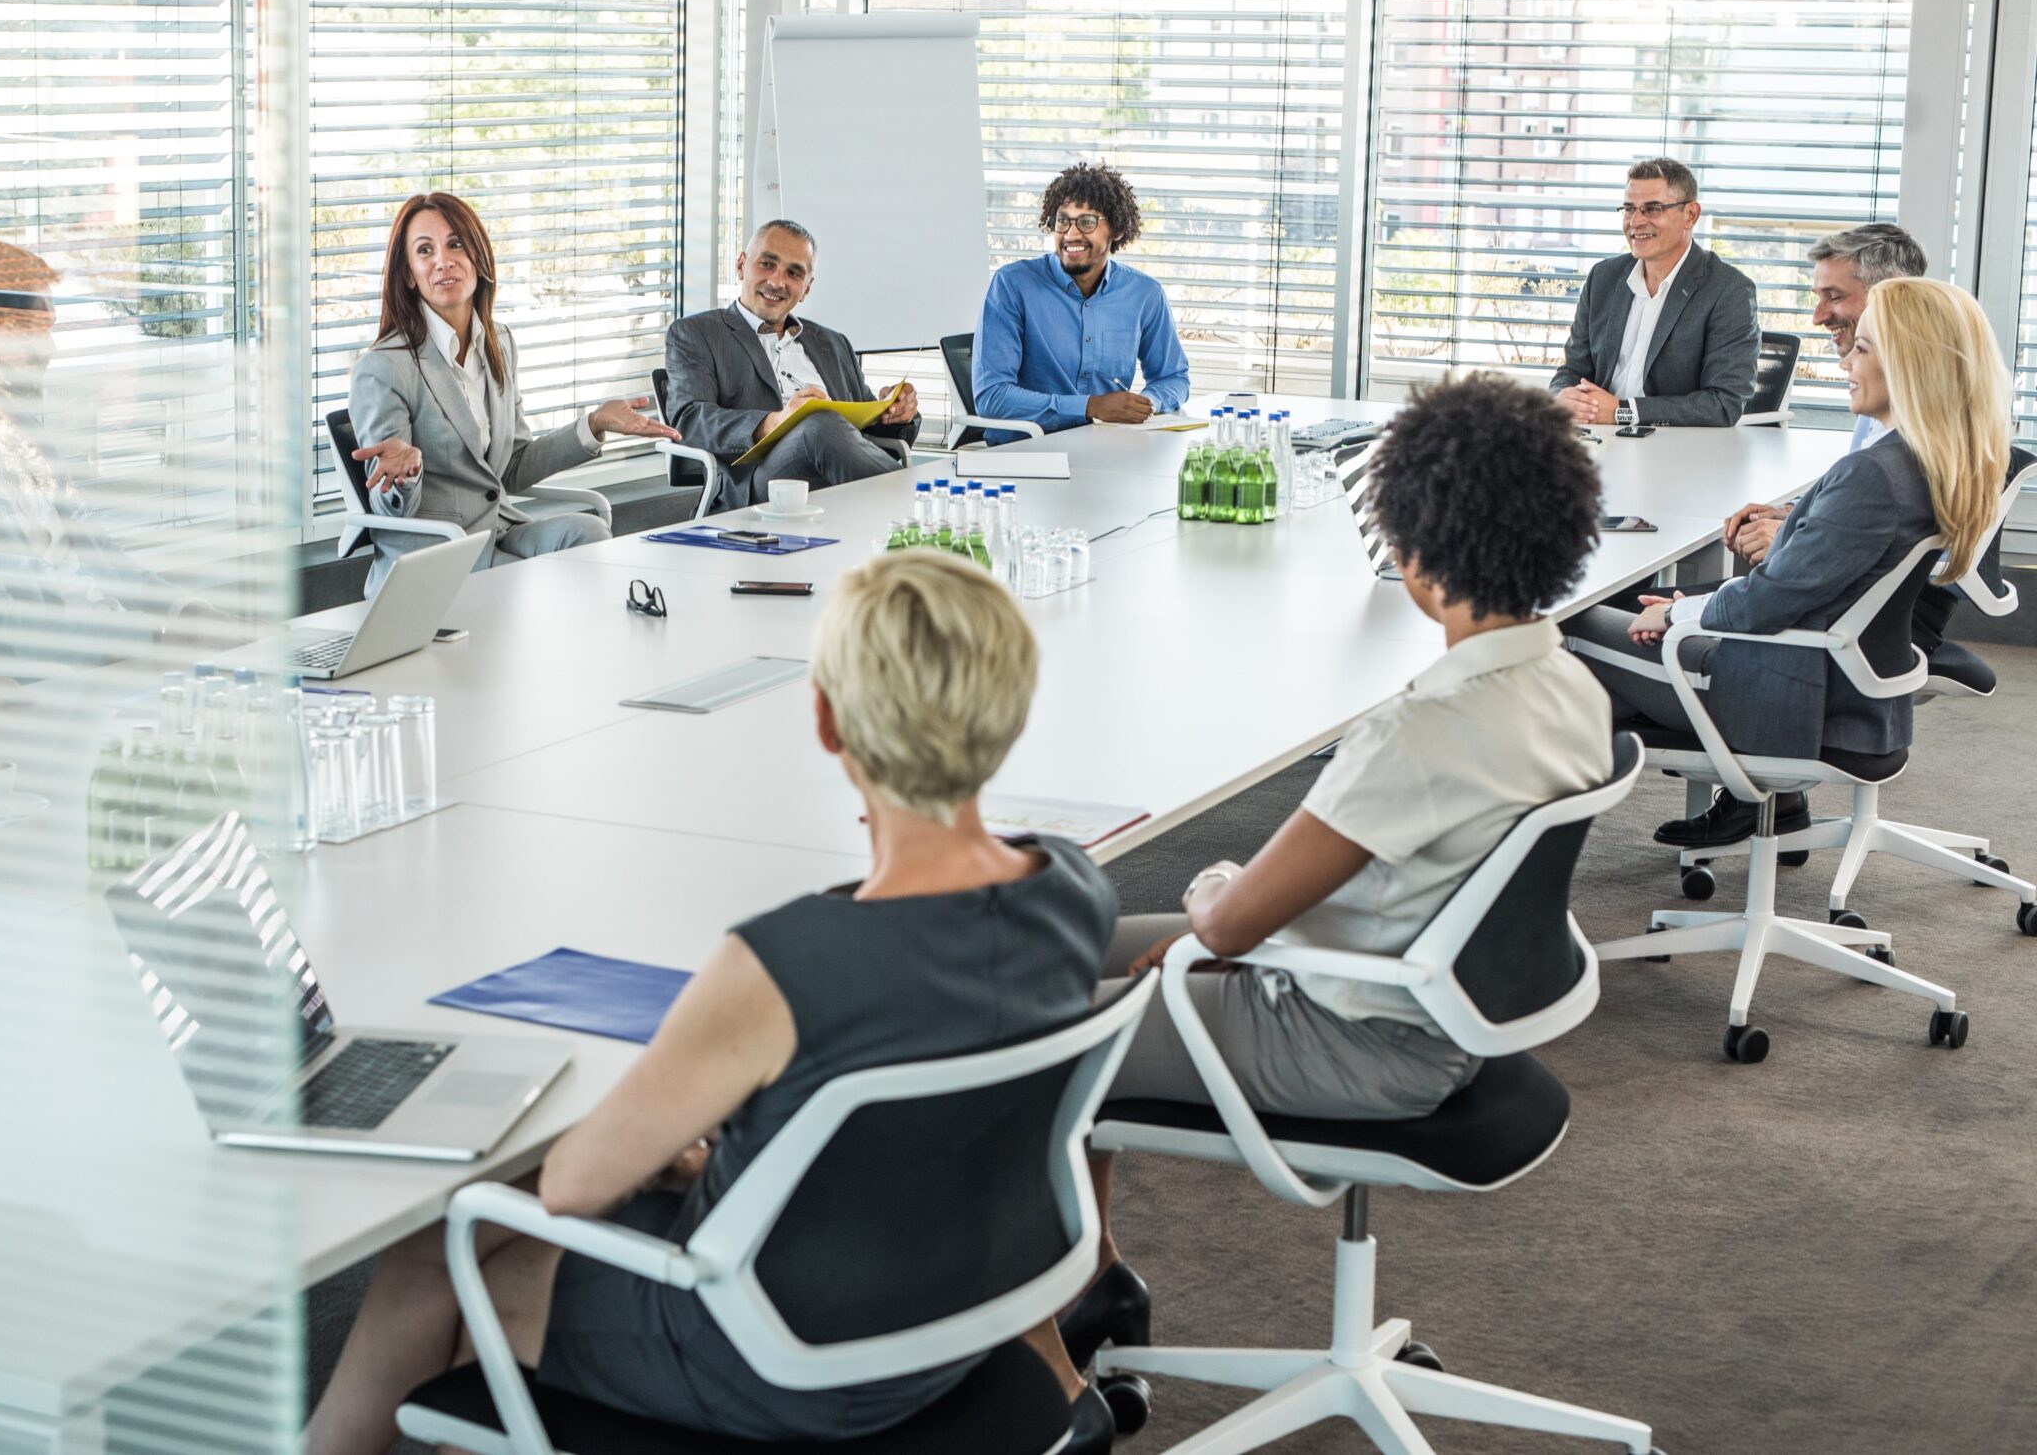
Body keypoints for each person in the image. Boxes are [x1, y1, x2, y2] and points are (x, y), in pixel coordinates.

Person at [305, 551, 1120, 1454]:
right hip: (945, 1311)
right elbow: (935, 1081)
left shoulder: (786, 962)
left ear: (826, 720)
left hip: (779, 1359)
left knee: (445, 1254)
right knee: (518, 1241)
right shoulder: (1075, 893)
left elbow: (577, 1184)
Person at [1053, 374, 1612, 1373]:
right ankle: (1091, 1282)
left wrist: (1203, 898)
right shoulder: (1568, 684)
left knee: (1033, 1037)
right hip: (1441, 998)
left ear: (1411, 549)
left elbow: (1227, 929)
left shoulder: (1424, 731)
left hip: (1356, 1034)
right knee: (1061, 944)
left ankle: (1062, 1317)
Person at [1562, 278, 2013, 852]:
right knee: (1619, 635)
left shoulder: (1872, 476)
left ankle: (1526, 852)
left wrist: (1681, 617)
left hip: (1778, 695)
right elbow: (1804, 584)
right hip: (1843, 689)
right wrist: (1687, 606)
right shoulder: (1939, 457)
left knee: (1558, 625)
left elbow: (1767, 601)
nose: (1848, 360)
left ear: (1911, 365)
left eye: (1865, 349)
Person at [0, 239, 227, 671]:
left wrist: (189, 614)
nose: (50, 351)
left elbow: (100, 556)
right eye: (35, 332)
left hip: (121, 661)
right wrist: (152, 643)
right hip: (66, 686)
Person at [345, 192, 675, 581]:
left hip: (498, 530)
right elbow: (389, 514)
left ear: (478, 256)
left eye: (455, 244)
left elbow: (512, 467)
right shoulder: (384, 367)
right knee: (540, 586)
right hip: (438, 552)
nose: (443, 261)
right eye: (424, 251)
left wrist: (594, 424)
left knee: (587, 533)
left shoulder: (498, 342)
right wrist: (405, 475)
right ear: (408, 274)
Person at [662, 220, 922, 509]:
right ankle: (919, 509)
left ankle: (914, 515)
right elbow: (689, 420)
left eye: (794, 273)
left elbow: (863, 434)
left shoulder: (833, 343)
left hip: (837, 484)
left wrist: (896, 412)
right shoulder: (697, 333)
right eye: (767, 264)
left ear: (807, 288)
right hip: (756, 487)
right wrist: (776, 421)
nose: (777, 281)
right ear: (741, 266)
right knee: (818, 424)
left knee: (824, 426)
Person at [1721, 222, 1926, 570]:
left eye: (1834, 296)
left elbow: (1893, 537)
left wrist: (1794, 537)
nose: (1817, 317)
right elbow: (1865, 507)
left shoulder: (1918, 407)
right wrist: (1793, 512)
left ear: (1889, 294)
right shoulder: (1884, 381)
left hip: (1865, 605)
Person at [971, 160, 1189, 436]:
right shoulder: (1012, 285)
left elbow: (1173, 377)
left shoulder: (1144, 294)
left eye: (1087, 222)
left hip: (1106, 448)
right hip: (1025, 457)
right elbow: (992, 397)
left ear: (1117, 230)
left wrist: (1146, 404)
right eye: (1063, 220)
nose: (1071, 234)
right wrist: (1091, 407)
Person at [1548, 156, 1758, 428]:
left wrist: (1623, 412)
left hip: (1672, 452)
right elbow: (1571, 371)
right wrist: (1562, 397)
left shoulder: (1728, 290)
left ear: (1690, 215)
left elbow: (1722, 404)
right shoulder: (1603, 278)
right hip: (1598, 439)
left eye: (1652, 209)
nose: (1635, 222)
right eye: (1629, 209)